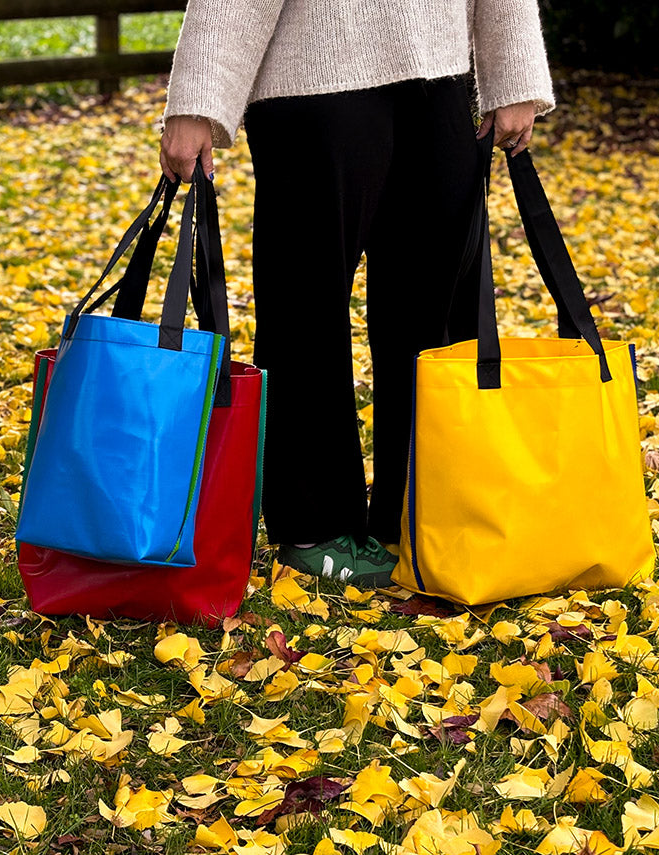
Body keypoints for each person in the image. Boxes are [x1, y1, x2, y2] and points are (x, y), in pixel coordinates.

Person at [159, 0, 554, 587]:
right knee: (306, 308)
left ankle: (415, 507)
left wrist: (514, 73)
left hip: (442, 78)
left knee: (434, 312)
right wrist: (196, 102)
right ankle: (313, 524)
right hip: (312, 78)